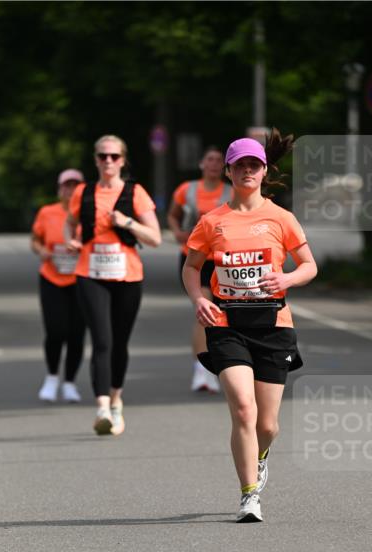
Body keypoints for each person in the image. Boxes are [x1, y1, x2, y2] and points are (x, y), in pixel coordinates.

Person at [183, 133, 318, 523]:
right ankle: (248, 496)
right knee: (243, 408)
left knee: (268, 425)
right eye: (239, 165)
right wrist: (200, 299)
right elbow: (191, 268)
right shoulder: (213, 222)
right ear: (228, 171)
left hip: (273, 326)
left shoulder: (280, 218)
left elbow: (309, 265)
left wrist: (287, 280)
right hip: (227, 324)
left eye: (253, 165)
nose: (247, 171)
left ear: (263, 171)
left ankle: (260, 456)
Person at [64, 134, 161, 435]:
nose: (108, 161)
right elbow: (70, 221)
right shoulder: (83, 191)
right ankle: (102, 407)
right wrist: (73, 239)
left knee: (119, 342)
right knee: (102, 340)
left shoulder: (135, 193)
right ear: (95, 160)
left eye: (114, 157)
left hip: (127, 276)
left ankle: (116, 402)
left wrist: (126, 222)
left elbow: (155, 238)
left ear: (123, 160)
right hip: (90, 274)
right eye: (103, 156)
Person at [168, 146, 231, 394]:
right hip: (194, 257)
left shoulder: (231, 191)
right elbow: (172, 215)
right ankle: (201, 370)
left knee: (225, 316)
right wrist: (176, 231)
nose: (214, 164)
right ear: (202, 164)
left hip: (222, 258)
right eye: (210, 159)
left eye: (219, 160)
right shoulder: (187, 189)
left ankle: (228, 366)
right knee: (205, 310)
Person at [31, 168, 86, 403]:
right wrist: (42, 251)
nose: (70, 190)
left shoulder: (90, 213)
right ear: (59, 188)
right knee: (55, 330)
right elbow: (35, 240)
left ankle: (70, 382)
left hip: (82, 278)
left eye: (75, 185)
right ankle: (52, 377)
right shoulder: (47, 212)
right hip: (52, 277)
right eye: (66, 185)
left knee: (77, 333)